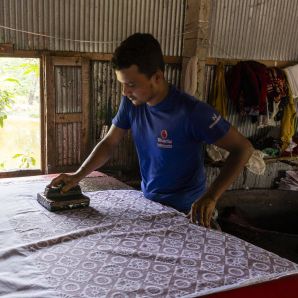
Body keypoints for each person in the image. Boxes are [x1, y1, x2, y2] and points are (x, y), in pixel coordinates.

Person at [48, 33, 253, 229]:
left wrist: (212, 196)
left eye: (132, 84)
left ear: (157, 77)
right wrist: (78, 175)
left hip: (188, 213)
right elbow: (109, 143)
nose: (125, 92)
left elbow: (243, 148)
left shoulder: (192, 112)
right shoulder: (131, 103)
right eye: (123, 84)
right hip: (150, 206)